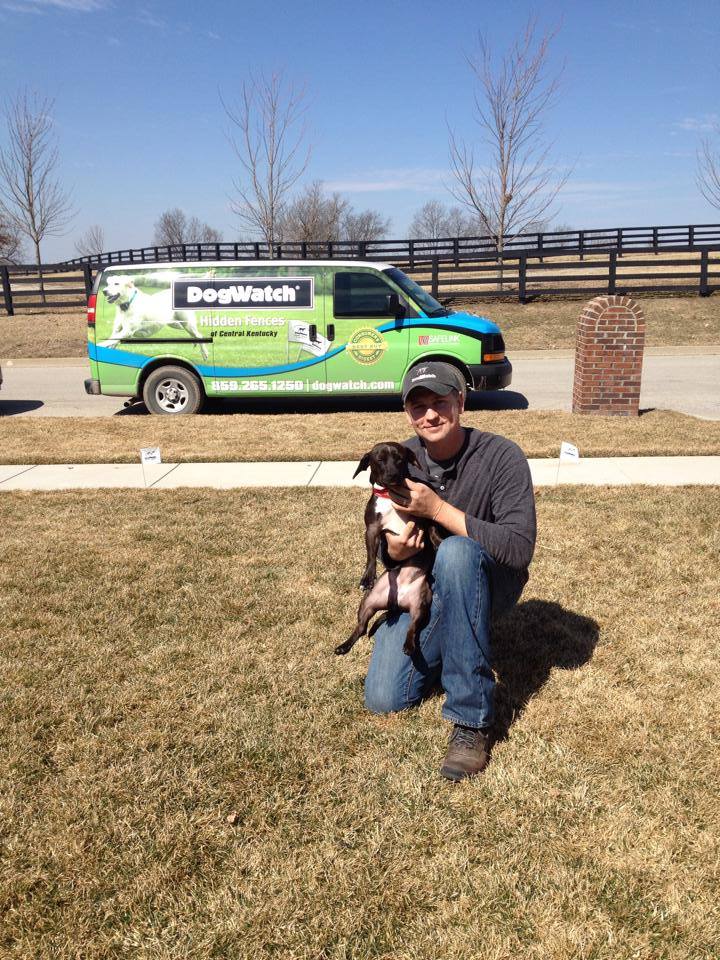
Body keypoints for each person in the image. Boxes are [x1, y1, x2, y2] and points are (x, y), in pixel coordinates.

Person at [364, 361, 537, 781]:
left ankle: (472, 720)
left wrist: (438, 510)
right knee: (385, 697)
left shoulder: (501, 455)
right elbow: (384, 529)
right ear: (407, 412)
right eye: (418, 406)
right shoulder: (398, 459)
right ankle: (456, 644)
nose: (430, 414)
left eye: (440, 401)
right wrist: (392, 548)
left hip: (490, 580)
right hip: (428, 586)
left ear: (461, 401)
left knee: (458, 552)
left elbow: (518, 548)